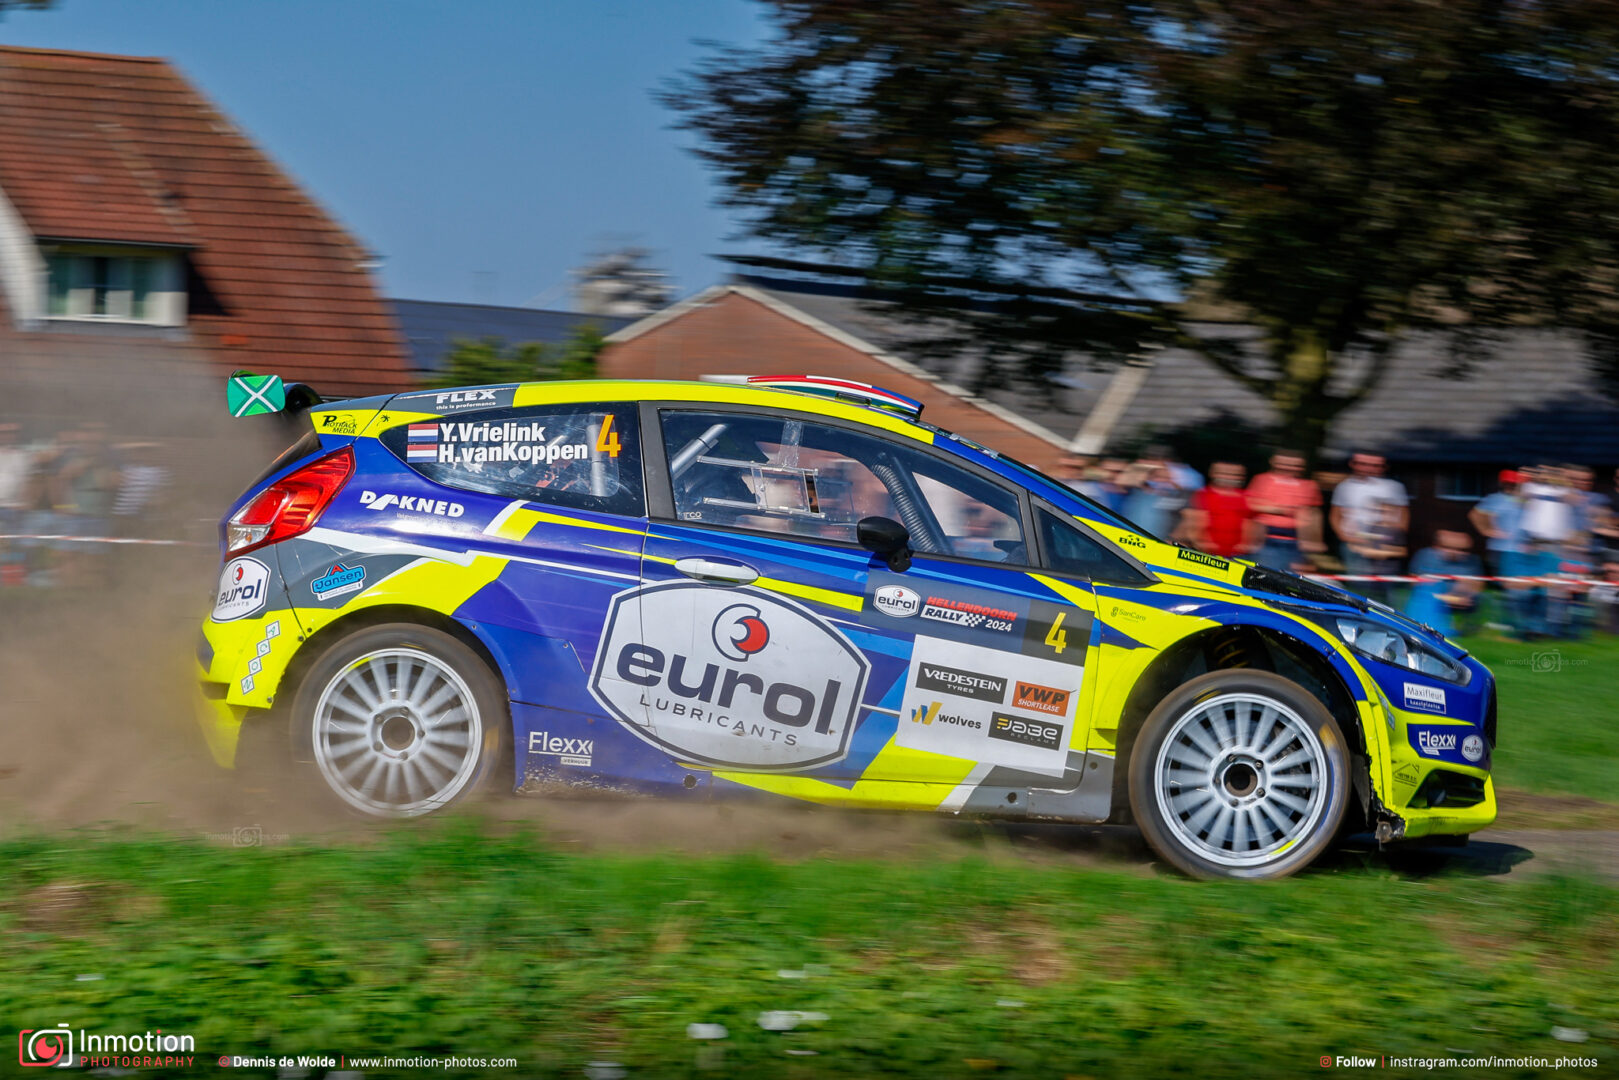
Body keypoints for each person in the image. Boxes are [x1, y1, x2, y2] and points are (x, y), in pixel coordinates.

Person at [1329, 451, 1408, 601]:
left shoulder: (1394, 487)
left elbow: (1403, 516)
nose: (1369, 468)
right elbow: (1335, 515)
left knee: (1386, 587)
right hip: (1353, 543)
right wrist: (1344, 537)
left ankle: (1388, 620)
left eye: (1376, 465)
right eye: (1364, 464)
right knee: (1359, 586)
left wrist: (1393, 540)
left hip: (1383, 544)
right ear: (1353, 464)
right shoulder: (1344, 487)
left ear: (1384, 467)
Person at [1246, 450, 1324, 573]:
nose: (1288, 468)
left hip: (1296, 541)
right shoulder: (1262, 480)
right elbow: (1251, 504)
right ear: (1273, 462)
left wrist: (1315, 540)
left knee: (1291, 580)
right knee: (1265, 576)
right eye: (1283, 464)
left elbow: (1314, 513)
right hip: (1267, 538)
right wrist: (1280, 510)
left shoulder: (1309, 485)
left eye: (1294, 465)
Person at [1406, 530, 1483, 638]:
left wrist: (1455, 594)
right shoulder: (1425, 556)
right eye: (1449, 547)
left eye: (1462, 550)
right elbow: (1414, 582)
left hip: (1455, 598)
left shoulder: (1471, 562)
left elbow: (1473, 587)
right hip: (1428, 599)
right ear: (1437, 546)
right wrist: (1441, 596)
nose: (1455, 552)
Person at [1183, 462, 1260, 558]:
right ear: (1212, 473)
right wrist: (1200, 542)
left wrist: (1250, 544)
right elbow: (1194, 522)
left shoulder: (1247, 497)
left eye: (1235, 475)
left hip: (1238, 555)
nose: (1229, 478)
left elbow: (1253, 523)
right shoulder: (1203, 495)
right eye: (1224, 473)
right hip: (1206, 553)